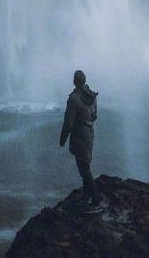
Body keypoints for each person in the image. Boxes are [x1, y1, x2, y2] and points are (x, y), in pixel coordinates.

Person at [59, 69, 99, 206]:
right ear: (84, 81)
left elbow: (68, 123)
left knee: (84, 170)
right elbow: (94, 116)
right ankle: (86, 195)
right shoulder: (92, 96)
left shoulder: (73, 99)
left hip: (79, 137)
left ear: (74, 81)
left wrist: (62, 140)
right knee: (85, 165)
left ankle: (95, 200)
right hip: (89, 134)